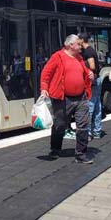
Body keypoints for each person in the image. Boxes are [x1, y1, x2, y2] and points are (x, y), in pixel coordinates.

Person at [40, 34, 93, 164]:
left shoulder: (79, 58)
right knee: (60, 125)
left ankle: (81, 154)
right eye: (78, 44)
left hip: (80, 97)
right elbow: (46, 73)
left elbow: (85, 72)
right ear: (71, 45)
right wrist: (44, 88)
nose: (81, 46)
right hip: (63, 98)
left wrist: (89, 74)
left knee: (83, 125)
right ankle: (55, 149)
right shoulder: (57, 57)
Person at [79, 33, 103, 139]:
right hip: (97, 80)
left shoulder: (88, 51)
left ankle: (88, 133)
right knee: (97, 106)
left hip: (93, 82)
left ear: (81, 40)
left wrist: (81, 65)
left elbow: (92, 66)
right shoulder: (90, 50)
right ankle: (97, 131)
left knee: (91, 107)